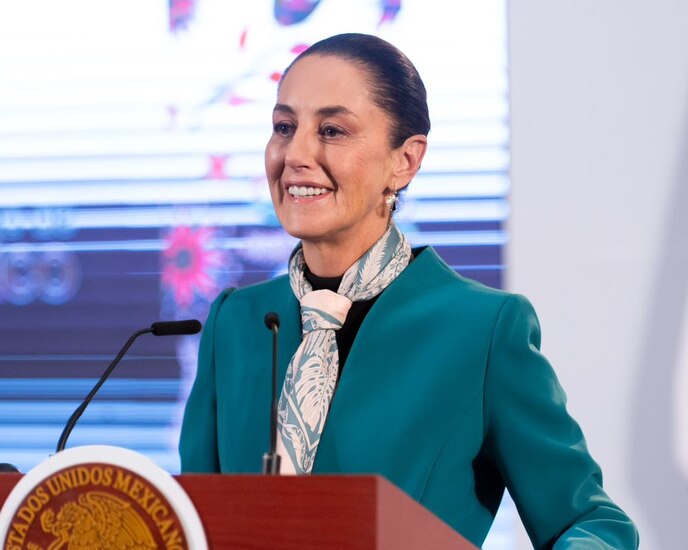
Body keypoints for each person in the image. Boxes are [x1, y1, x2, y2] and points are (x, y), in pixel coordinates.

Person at [179, 32, 638, 548]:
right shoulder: (236, 322)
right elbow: (190, 523)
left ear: (405, 161)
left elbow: (592, 523)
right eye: (284, 126)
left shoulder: (481, 331)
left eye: (331, 130)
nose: (296, 154)